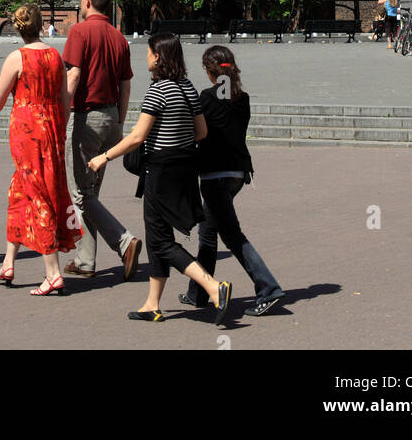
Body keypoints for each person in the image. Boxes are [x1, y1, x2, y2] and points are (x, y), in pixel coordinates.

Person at [88, 32, 231, 325]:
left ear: (159, 57)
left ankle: (213, 286)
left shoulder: (158, 91)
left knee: (161, 242)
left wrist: (104, 157)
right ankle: (152, 303)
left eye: (150, 52)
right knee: (158, 239)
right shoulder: (187, 87)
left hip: (160, 171)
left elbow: (138, 136)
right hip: (184, 168)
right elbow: (201, 132)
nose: (147, 57)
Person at [0, 2, 81, 295]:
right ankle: (9, 261)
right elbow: (63, 102)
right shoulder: (54, 56)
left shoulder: (17, 58)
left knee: (38, 194)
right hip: (50, 126)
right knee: (20, 191)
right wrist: (56, 127)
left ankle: (53, 272)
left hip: (27, 130)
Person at [179, 46, 283, 317]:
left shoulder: (206, 97)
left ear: (209, 71)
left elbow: (199, 133)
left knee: (232, 235)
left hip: (214, 174)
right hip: (237, 172)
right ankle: (198, 292)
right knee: (208, 232)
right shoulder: (242, 98)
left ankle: (268, 288)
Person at [63, 0, 142, 281]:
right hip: (110, 116)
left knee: (81, 194)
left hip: (85, 117)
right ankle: (85, 261)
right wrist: (119, 122)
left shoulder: (79, 32)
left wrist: (61, 114)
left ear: (86, 2)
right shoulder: (118, 37)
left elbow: (74, 77)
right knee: (91, 193)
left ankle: (124, 242)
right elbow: (125, 85)